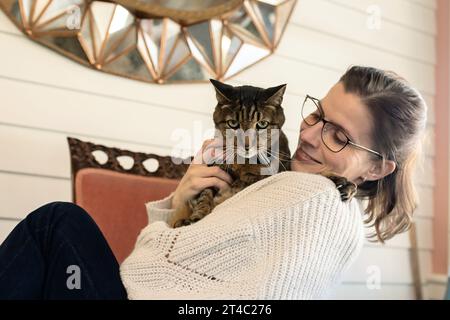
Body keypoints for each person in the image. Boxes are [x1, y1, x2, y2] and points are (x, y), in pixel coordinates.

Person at [0, 66, 427, 299]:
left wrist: (165, 224)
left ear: (375, 169)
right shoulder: (302, 187)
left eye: (339, 136)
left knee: (57, 223)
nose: (310, 135)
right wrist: (181, 202)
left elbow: (151, 269)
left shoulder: (311, 199)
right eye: (316, 114)